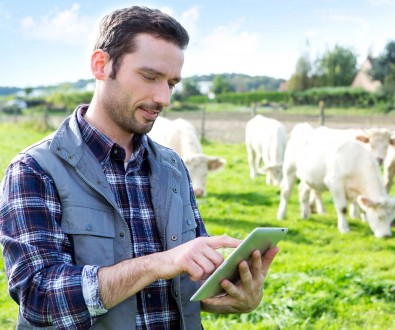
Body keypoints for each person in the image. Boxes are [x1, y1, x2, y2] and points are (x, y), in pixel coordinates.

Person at [0, 6, 279, 330]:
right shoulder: (34, 169)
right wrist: (159, 264)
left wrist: (234, 294)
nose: (164, 97)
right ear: (101, 65)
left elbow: (186, 283)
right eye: (150, 77)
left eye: (171, 83)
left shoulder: (174, 167)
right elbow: (39, 297)